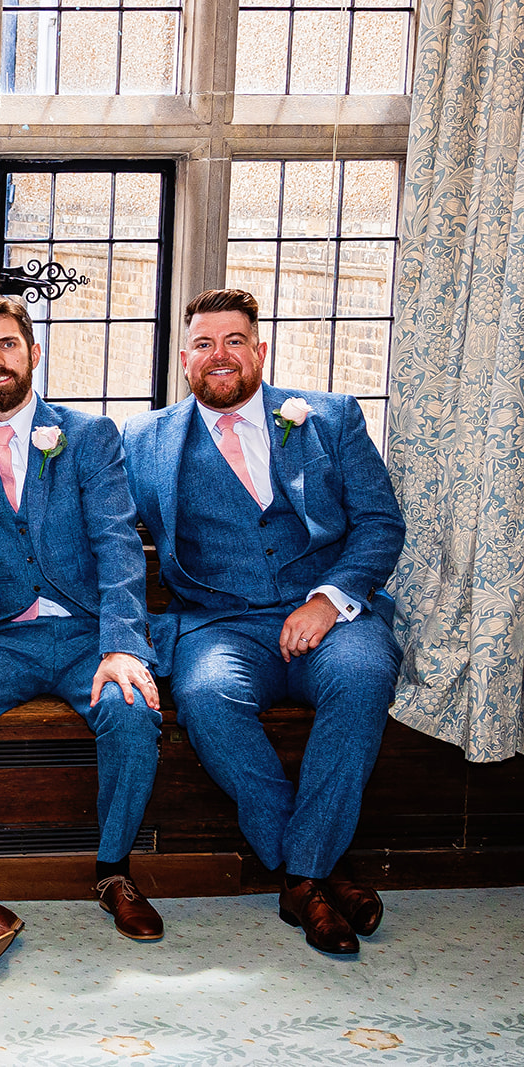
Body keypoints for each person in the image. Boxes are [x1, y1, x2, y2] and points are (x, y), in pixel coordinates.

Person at [123, 288, 405, 956]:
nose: (219, 356)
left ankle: (300, 877)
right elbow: (97, 535)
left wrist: (331, 597)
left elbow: (379, 522)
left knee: (365, 676)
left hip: (330, 617)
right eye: (203, 344)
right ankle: (319, 871)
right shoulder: (144, 440)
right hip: (220, 624)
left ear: (260, 350)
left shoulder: (329, 418)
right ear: (184, 359)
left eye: (234, 341)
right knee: (205, 696)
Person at [0, 297, 164, 971]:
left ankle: (114, 870)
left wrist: (124, 644)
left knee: (132, 709)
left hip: (84, 633)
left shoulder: (88, 433)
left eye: (8, 345)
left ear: (34, 354)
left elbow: (119, 544)